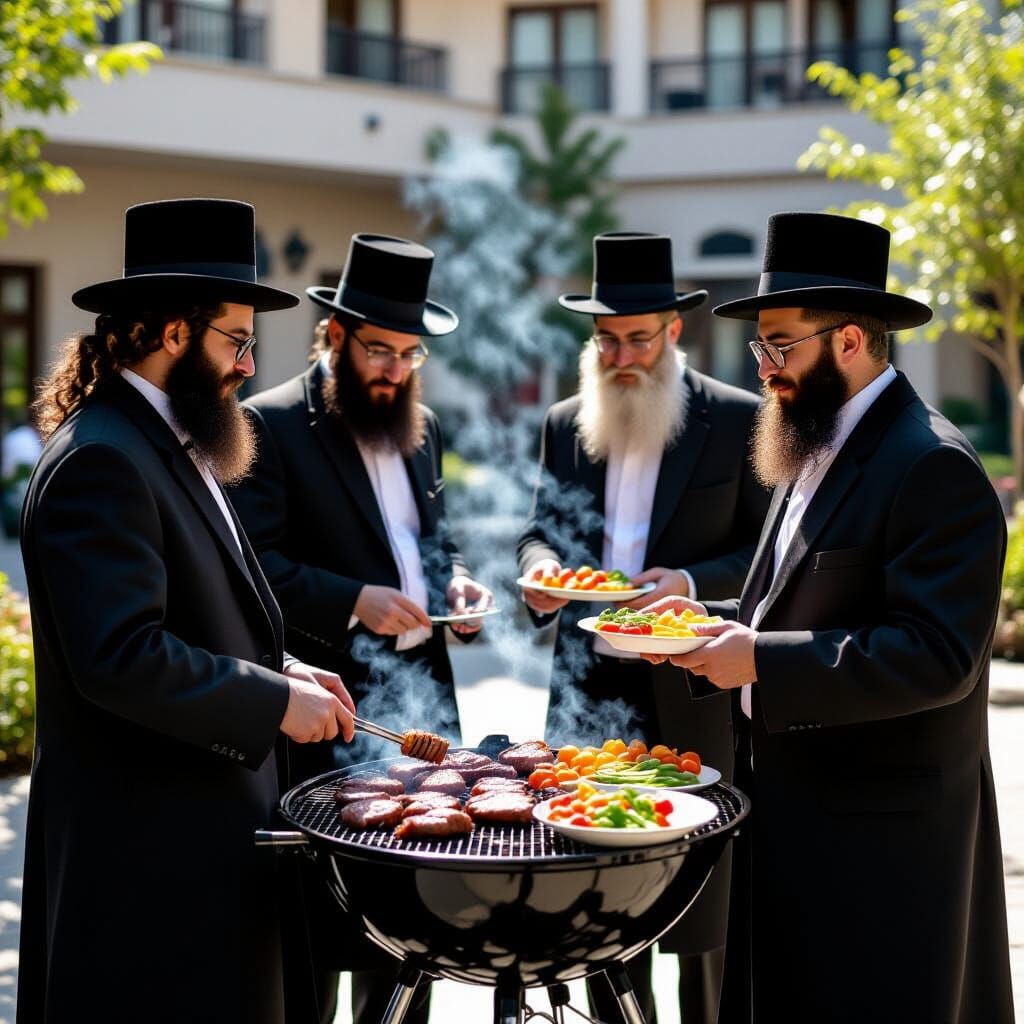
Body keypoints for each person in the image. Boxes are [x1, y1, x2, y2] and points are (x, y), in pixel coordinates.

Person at [643, 212, 1015, 1023]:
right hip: (793, 828)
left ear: (849, 341)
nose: (765, 369)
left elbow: (934, 655)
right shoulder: (809, 439)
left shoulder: (933, 465)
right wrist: (703, 623)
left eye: (781, 346)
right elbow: (787, 603)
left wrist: (760, 663)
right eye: (760, 349)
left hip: (883, 857)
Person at [16, 198, 356, 1024]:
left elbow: (199, 615)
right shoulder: (102, 459)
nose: (248, 364)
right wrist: (274, 702)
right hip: (146, 863)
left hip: (198, 847)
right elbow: (122, 657)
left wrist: (281, 665)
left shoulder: (166, 436)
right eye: (235, 340)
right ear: (173, 333)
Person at [230, 232, 493, 1024]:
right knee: (321, 929)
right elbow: (255, 571)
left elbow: (429, 542)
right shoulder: (266, 424)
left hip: (427, 716)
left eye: (411, 355)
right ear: (335, 335)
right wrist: (355, 600)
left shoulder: (426, 425)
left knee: (415, 928)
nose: (396, 370)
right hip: (331, 713)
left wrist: (456, 582)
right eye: (380, 351)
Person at [517, 232, 770, 1024]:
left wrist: (690, 584)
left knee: (704, 912)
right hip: (587, 687)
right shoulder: (565, 422)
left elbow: (764, 552)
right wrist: (539, 573)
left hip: (691, 682)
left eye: (638, 337)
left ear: (674, 332)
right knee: (595, 903)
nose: (622, 355)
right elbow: (537, 530)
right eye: (607, 340)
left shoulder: (738, 420)